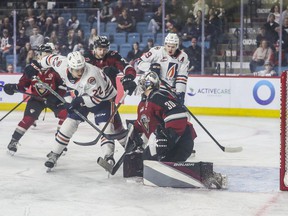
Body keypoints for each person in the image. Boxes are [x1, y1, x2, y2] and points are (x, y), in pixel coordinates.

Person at [39, 51, 118, 169]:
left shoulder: (92, 76)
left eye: (82, 68)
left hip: (104, 98)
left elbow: (97, 99)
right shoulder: (62, 64)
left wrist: (79, 101)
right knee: (70, 122)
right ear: (69, 68)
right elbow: (48, 59)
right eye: (77, 70)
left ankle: (108, 156)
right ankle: (55, 153)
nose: (80, 72)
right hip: (82, 95)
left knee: (106, 126)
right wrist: (36, 66)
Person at [3, 43, 68, 155]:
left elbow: (62, 87)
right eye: (44, 54)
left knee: (65, 115)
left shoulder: (57, 70)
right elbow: (22, 85)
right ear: (39, 55)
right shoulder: (31, 69)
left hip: (53, 99)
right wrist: (13, 88)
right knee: (28, 119)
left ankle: (60, 142)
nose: (46, 58)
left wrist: (54, 98)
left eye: (49, 55)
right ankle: (14, 141)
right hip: (36, 99)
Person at [84, 36, 137, 163]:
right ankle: (132, 148)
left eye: (105, 49)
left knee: (111, 126)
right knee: (114, 126)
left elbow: (127, 68)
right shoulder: (87, 58)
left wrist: (128, 78)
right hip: (91, 97)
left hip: (108, 99)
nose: (102, 52)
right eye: (99, 49)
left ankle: (111, 155)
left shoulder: (113, 56)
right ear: (94, 48)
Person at [137, 33, 190, 105]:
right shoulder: (156, 51)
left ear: (177, 46)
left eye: (173, 47)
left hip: (169, 91)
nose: (170, 49)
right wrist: (151, 67)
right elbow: (139, 62)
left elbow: (181, 77)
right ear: (165, 44)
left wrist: (180, 93)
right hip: (152, 87)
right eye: (168, 46)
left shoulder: (183, 57)